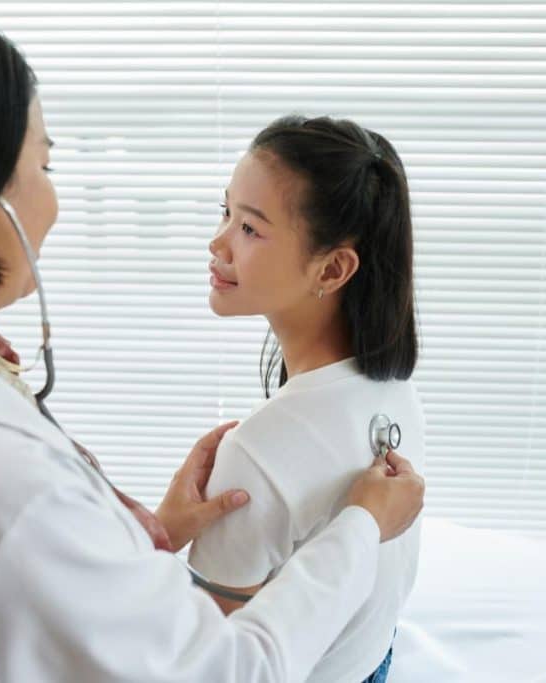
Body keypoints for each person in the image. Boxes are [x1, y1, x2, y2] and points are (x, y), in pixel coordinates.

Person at [0, 2, 425, 681]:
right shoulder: (4, 485)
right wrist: (360, 527)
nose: (53, 200)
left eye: (249, 225)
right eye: (45, 165)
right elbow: (231, 669)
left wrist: (144, 536)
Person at [188, 116, 424, 683]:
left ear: (334, 268)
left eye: (249, 228)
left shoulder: (255, 451)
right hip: (371, 660)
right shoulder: (395, 392)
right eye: (226, 213)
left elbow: (212, 661)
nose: (217, 242)